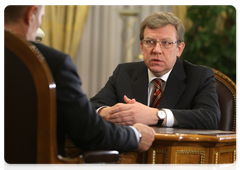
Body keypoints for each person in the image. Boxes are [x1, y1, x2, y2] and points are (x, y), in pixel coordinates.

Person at [0, 0, 155, 157]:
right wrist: (136, 135)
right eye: (41, 16)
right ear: (31, 14)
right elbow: (89, 132)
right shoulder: (52, 63)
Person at [90, 11, 221, 130]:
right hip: (131, 152)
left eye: (166, 43)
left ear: (179, 49)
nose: (156, 50)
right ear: (142, 46)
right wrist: (115, 113)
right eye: (150, 42)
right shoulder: (123, 73)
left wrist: (156, 115)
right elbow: (92, 108)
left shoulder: (199, 76)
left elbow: (210, 117)